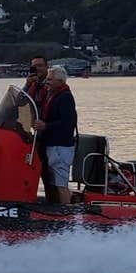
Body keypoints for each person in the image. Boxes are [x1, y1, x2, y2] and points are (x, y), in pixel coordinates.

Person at [34, 66, 77, 204]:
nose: (47, 82)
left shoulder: (65, 97)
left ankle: (67, 214)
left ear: (60, 81)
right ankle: (61, 206)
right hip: (52, 145)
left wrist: (46, 126)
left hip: (61, 146)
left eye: (50, 79)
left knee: (60, 184)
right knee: (54, 181)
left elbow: (67, 122)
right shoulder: (51, 95)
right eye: (47, 79)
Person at [22, 54, 57, 195]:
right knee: (37, 167)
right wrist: (27, 85)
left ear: (46, 67)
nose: (37, 69)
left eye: (40, 66)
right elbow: (21, 100)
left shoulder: (52, 86)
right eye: (34, 66)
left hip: (50, 134)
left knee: (49, 172)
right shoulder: (32, 85)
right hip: (37, 134)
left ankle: (55, 200)